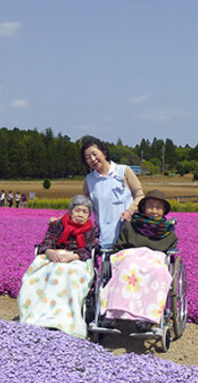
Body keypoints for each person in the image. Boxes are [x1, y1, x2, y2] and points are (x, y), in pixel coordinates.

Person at [17, 195, 99, 338]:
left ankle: (65, 320)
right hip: (54, 257)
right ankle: (39, 314)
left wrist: (73, 256)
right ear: (70, 211)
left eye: (84, 211)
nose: (80, 214)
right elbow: (46, 242)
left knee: (67, 273)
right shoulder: (58, 225)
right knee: (46, 273)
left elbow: (90, 248)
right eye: (77, 210)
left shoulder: (92, 229)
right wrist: (50, 252)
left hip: (77, 259)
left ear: (89, 215)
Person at [100, 190, 177, 331]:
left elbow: (168, 255)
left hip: (154, 260)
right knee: (128, 267)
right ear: (143, 208)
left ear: (164, 211)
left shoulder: (168, 233)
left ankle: (145, 318)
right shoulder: (130, 226)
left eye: (158, 208)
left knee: (159, 271)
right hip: (131, 258)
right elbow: (119, 247)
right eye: (150, 207)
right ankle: (113, 313)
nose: (154, 211)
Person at [81, 136, 144, 249]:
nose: (93, 159)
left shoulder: (124, 171)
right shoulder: (89, 180)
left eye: (95, 154)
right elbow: (81, 205)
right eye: (88, 158)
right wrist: (62, 219)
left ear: (104, 153)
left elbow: (139, 195)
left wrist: (130, 211)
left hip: (128, 230)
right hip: (104, 234)